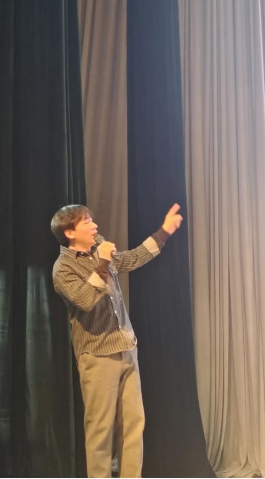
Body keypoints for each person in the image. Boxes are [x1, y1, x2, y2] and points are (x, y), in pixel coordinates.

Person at [51, 204, 183, 478]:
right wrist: (101, 263)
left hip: (126, 347)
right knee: (100, 430)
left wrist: (164, 232)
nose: (95, 226)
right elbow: (85, 300)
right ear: (70, 232)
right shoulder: (63, 268)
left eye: (92, 220)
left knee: (134, 424)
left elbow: (130, 259)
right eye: (87, 222)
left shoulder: (98, 250)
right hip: (98, 355)